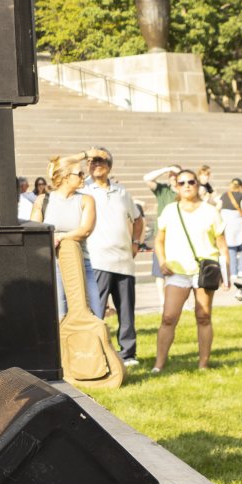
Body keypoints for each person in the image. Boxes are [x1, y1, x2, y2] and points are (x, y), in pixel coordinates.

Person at [147, 165, 224, 371]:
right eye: (182, 183)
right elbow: (159, 240)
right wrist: (162, 262)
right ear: (176, 187)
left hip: (204, 271)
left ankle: (203, 364)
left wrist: (226, 274)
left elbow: (222, 245)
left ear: (198, 184)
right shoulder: (170, 210)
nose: (187, 186)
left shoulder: (210, 211)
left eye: (191, 182)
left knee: (203, 317)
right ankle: (158, 365)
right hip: (177, 271)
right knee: (168, 317)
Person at [82, 151, 144, 368]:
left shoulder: (122, 192)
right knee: (97, 310)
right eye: (92, 161)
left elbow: (137, 219)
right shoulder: (84, 190)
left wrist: (135, 242)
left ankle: (128, 353)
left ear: (109, 166)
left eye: (101, 161)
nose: (96, 165)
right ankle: (96, 351)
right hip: (97, 259)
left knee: (126, 311)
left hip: (124, 260)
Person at [39, 156, 94, 319]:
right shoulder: (43, 200)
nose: (84, 177)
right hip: (52, 265)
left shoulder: (86, 200)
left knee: (92, 314)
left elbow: (85, 231)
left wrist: (60, 237)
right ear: (65, 177)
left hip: (81, 263)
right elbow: (34, 233)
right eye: (80, 174)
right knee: (60, 316)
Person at [220, 185, 242, 283]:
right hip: (239, 224)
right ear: (240, 187)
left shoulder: (224, 195)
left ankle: (233, 272)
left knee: (231, 248)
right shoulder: (241, 196)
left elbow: (218, 207)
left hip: (227, 224)